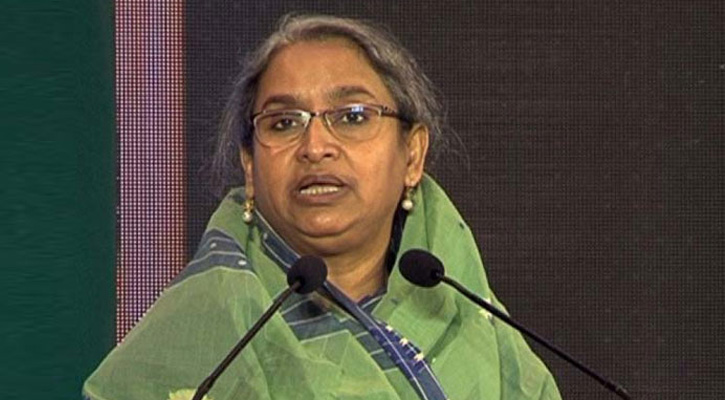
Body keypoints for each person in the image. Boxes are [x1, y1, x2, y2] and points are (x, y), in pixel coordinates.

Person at [84, 14, 561, 400]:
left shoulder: (485, 341)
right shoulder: (198, 343)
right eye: (284, 122)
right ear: (249, 166)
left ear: (412, 156)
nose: (315, 146)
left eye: (352, 117)